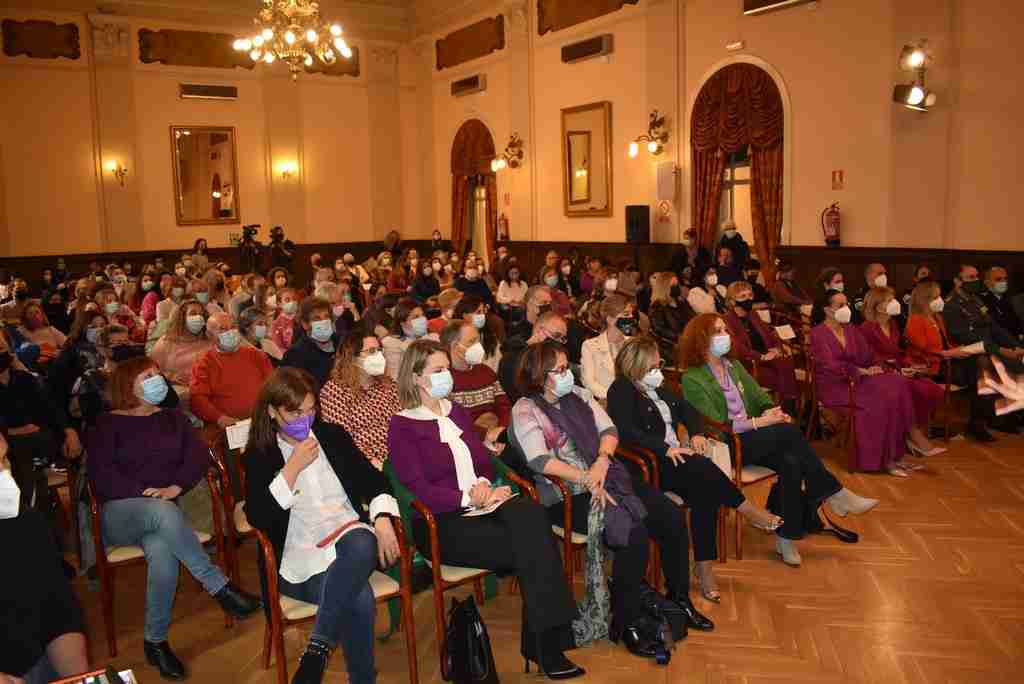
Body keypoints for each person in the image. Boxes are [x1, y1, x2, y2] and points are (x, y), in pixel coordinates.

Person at [388, 340, 583, 678]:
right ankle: (548, 647)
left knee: (533, 516)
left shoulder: (456, 412)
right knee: (535, 546)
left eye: (447, 368)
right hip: (443, 521)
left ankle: (546, 646)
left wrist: (492, 485)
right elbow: (418, 489)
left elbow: (484, 462)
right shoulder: (403, 425)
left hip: (485, 504)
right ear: (417, 377)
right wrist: (469, 497)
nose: (447, 376)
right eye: (438, 371)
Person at [512, 340, 713, 657]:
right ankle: (628, 619)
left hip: (609, 475)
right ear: (539, 376)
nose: (569, 374)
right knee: (634, 534)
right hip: (568, 494)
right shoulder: (526, 409)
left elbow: (609, 430)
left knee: (671, 517)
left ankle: (679, 600)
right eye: (561, 370)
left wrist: (603, 461)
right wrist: (587, 477)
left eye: (569, 368)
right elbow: (539, 460)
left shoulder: (578, 395)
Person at [86, 357, 261, 679]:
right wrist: (146, 492)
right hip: (121, 512)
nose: (157, 380)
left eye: (157, 374)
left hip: (164, 516)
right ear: (128, 385)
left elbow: (196, 456)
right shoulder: (106, 425)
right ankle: (219, 588)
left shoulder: (173, 418)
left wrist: (176, 486)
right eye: (147, 376)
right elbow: (101, 476)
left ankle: (155, 643)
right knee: (162, 511)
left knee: (163, 553)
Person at [680, 313, 878, 566]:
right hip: (728, 444)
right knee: (787, 432)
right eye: (717, 332)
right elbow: (715, 424)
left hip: (755, 437)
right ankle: (832, 492)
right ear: (701, 339)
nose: (725, 336)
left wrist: (770, 411)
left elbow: (759, 397)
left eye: (725, 330)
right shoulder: (692, 378)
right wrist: (760, 422)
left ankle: (786, 536)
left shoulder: (734, 366)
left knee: (791, 462)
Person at [243, 367, 400, 684]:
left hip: (349, 546)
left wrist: (382, 520)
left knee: (361, 540)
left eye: (311, 409)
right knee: (359, 597)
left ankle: (316, 650)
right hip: (297, 562)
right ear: (272, 412)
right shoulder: (260, 455)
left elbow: (376, 481)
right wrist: (292, 468)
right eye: (295, 412)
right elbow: (259, 517)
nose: (305, 418)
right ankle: (361, 678)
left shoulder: (332, 437)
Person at [607, 336, 783, 601]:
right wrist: (665, 448)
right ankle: (746, 510)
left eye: (659, 365)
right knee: (703, 468)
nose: (658, 371)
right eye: (652, 367)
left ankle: (705, 567)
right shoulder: (621, 389)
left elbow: (689, 411)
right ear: (635, 367)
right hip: (650, 464)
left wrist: (697, 433)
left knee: (705, 491)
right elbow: (627, 432)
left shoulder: (661, 388)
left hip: (679, 460)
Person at [811, 290, 940, 475]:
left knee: (897, 383)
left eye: (846, 304)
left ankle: (900, 449)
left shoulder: (850, 329)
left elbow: (869, 355)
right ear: (827, 310)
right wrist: (860, 370)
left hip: (859, 380)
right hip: (836, 386)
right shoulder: (818, 333)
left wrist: (877, 367)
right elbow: (829, 365)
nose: (846, 309)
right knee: (881, 401)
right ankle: (886, 459)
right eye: (840, 306)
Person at [0, 442, 90, 684]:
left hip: (34, 660)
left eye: (4, 459)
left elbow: (57, 610)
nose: (4, 474)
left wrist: (78, 677)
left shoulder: (26, 523)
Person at [905, 281, 998, 441]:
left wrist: (960, 349)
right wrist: (950, 353)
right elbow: (922, 349)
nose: (940, 300)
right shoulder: (916, 320)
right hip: (933, 365)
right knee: (980, 372)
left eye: (939, 296)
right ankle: (976, 423)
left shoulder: (937, 317)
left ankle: (977, 422)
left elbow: (946, 341)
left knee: (983, 364)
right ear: (924, 299)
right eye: (935, 297)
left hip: (948, 360)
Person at [0, 329, 82, 509]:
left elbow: (50, 408)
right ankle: (35, 509)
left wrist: (69, 431)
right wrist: (11, 431)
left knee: (70, 441)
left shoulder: (24, 379)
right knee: (24, 465)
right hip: (8, 445)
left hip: (39, 437)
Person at [860, 287, 946, 457]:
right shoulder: (867, 327)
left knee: (932, 389)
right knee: (910, 389)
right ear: (878, 306)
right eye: (889, 300)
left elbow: (899, 352)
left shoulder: (892, 324)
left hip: (898, 370)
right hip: (879, 374)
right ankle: (913, 435)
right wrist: (895, 370)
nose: (895, 303)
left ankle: (908, 431)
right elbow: (870, 357)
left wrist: (909, 366)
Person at [319, 325, 401, 469]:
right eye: (371, 352)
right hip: (365, 465)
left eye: (380, 350)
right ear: (352, 357)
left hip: (400, 457)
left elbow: (403, 424)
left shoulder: (388, 384)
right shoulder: (335, 391)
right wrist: (377, 465)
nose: (379, 356)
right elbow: (343, 442)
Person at [76, 324, 179, 428]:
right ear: (102, 349)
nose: (124, 347)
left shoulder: (145, 373)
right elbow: (93, 419)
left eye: (126, 342)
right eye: (118, 343)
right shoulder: (93, 378)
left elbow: (171, 401)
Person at [723, 282, 799, 415]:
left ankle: (785, 409)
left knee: (785, 363)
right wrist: (761, 357)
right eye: (743, 296)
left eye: (750, 295)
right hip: (749, 365)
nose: (748, 299)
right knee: (783, 370)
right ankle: (787, 410)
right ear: (732, 301)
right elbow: (737, 347)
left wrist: (777, 348)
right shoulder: (728, 320)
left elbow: (770, 334)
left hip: (769, 360)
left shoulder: (753, 315)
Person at [191, 311, 274, 431]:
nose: (229, 332)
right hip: (228, 428)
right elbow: (197, 399)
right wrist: (219, 418)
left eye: (233, 327)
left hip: (261, 422)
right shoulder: (204, 362)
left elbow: (273, 386)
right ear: (209, 335)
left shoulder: (257, 355)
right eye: (222, 329)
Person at [944, 264, 1024, 376]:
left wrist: (1016, 346)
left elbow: (993, 327)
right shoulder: (952, 305)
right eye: (971, 277)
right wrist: (1000, 350)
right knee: (1014, 368)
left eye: (977, 277)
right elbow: (964, 337)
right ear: (957, 281)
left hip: (991, 349)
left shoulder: (976, 300)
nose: (976, 280)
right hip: (973, 356)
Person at [441, 320, 510, 444]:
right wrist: (486, 435)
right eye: (471, 341)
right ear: (455, 346)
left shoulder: (486, 372)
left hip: (498, 436)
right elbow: (453, 422)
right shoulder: (443, 381)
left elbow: (504, 407)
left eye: (478, 340)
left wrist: (501, 432)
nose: (478, 345)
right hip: (467, 441)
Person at [581, 294, 637, 403]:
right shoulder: (590, 346)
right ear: (610, 320)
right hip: (606, 402)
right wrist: (615, 397)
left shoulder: (634, 343)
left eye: (631, 314)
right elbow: (589, 382)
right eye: (626, 314)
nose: (631, 318)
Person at [151, 299, 215, 387]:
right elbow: (152, 372)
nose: (199, 317)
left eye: (202, 314)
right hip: (176, 390)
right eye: (193, 313)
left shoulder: (210, 340)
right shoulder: (166, 342)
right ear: (182, 317)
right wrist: (171, 377)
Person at [281, 297, 339, 387]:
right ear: (305, 324)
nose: (323, 322)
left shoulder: (342, 342)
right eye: (317, 319)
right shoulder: (296, 354)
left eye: (326, 317)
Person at [380, 298, 434, 381]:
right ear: (402, 323)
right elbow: (395, 377)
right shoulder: (391, 343)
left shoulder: (432, 337)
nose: (422, 319)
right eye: (416, 317)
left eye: (422, 315)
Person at [648, 272, 694, 358]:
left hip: (689, 340)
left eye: (677, 284)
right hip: (671, 347)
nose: (676, 287)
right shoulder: (657, 307)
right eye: (673, 284)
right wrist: (680, 337)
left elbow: (693, 318)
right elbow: (659, 330)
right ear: (664, 287)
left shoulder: (681, 302)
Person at [453, 294, 503, 372]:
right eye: (478, 312)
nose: (482, 315)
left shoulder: (490, 336)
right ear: (465, 315)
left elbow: (497, 361)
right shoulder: (456, 337)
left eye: (483, 311)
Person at [17, 300, 66, 367]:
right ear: (25, 317)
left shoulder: (51, 329)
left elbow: (67, 345)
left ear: (42, 315)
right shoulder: (21, 331)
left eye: (37, 312)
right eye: (30, 313)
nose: (34, 315)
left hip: (54, 363)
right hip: (34, 366)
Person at [979, 266, 1022, 340]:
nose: (1003, 282)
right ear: (986, 282)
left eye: (1005, 279)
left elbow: (1016, 321)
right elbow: (995, 326)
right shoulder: (982, 300)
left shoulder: (1008, 298)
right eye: (998, 279)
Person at [271, 287, 302, 352]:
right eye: (287, 300)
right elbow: (279, 348)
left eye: (294, 299)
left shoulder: (303, 318)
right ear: (279, 304)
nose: (292, 302)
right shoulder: (276, 324)